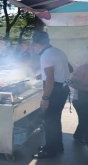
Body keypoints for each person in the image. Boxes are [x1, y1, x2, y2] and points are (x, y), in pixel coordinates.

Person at [32, 31, 72, 159]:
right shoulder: (58, 51)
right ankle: (57, 146)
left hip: (54, 91)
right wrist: (42, 74)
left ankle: (50, 150)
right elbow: (69, 68)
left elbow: (50, 79)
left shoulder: (45, 55)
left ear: (37, 43)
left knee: (49, 121)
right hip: (63, 89)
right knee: (55, 120)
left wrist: (45, 98)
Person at [70, 62, 88, 144]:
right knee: (84, 119)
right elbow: (71, 82)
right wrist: (84, 88)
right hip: (80, 98)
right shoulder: (83, 67)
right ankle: (83, 137)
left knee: (84, 119)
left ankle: (78, 135)